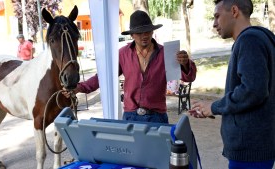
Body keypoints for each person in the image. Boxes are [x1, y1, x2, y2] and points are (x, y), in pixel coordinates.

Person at [65, 10, 196, 123]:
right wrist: (79, 87)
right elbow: (104, 76)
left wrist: (185, 64)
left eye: (147, 31)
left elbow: (189, 77)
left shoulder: (165, 53)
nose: (144, 36)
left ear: (152, 31)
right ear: (132, 35)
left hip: (157, 116)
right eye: (139, 33)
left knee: (156, 153)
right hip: (130, 116)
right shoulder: (123, 54)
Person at [189, 0, 275, 168]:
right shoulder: (261, 37)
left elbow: (253, 91)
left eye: (217, 16)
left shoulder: (249, 40)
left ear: (234, 11)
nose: (214, 24)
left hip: (250, 150)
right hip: (257, 146)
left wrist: (214, 107)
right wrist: (213, 108)